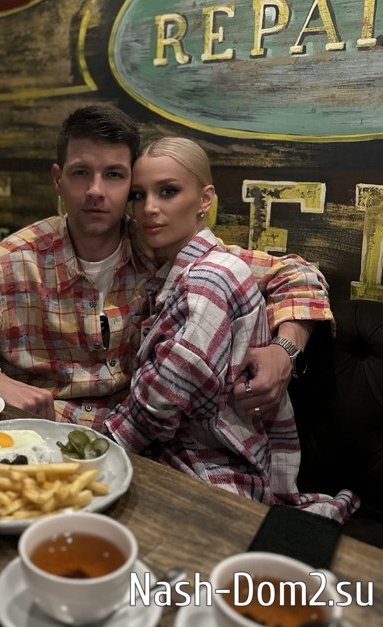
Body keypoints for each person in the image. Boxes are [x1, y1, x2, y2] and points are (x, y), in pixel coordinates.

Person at [0, 105, 332, 430]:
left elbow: (298, 274)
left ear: (130, 184)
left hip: (148, 445)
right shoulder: (12, 264)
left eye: (114, 175)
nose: (96, 191)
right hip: (43, 438)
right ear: (58, 180)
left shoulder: (163, 252)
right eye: (81, 173)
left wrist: (285, 350)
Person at [103, 137, 357, 521]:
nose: (149, 208)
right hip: (211, 455)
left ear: (205, 199)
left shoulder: (208, 276)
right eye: (138, 195)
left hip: (204, 468)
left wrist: (284, 349)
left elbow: (165, 394)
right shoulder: (183, 265)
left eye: (168, 191)